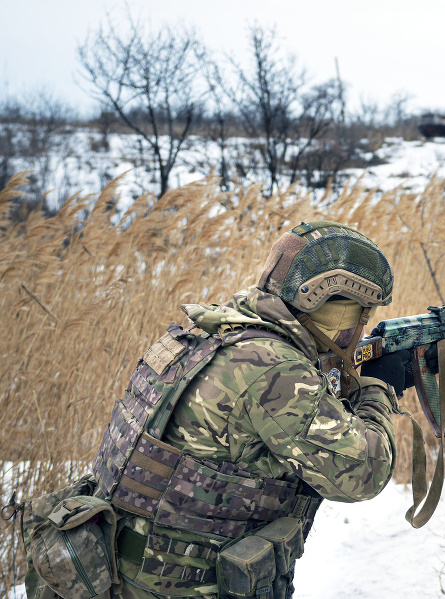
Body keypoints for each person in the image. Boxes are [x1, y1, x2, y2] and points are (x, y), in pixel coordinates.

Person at [24, 221, 412, 599]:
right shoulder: (274, 369)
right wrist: (380, 390)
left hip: (118, 568)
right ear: (322, 306)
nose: (359, 332)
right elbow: (363, 474)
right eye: (356, 316)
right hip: (180, 585)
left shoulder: (211, 333)